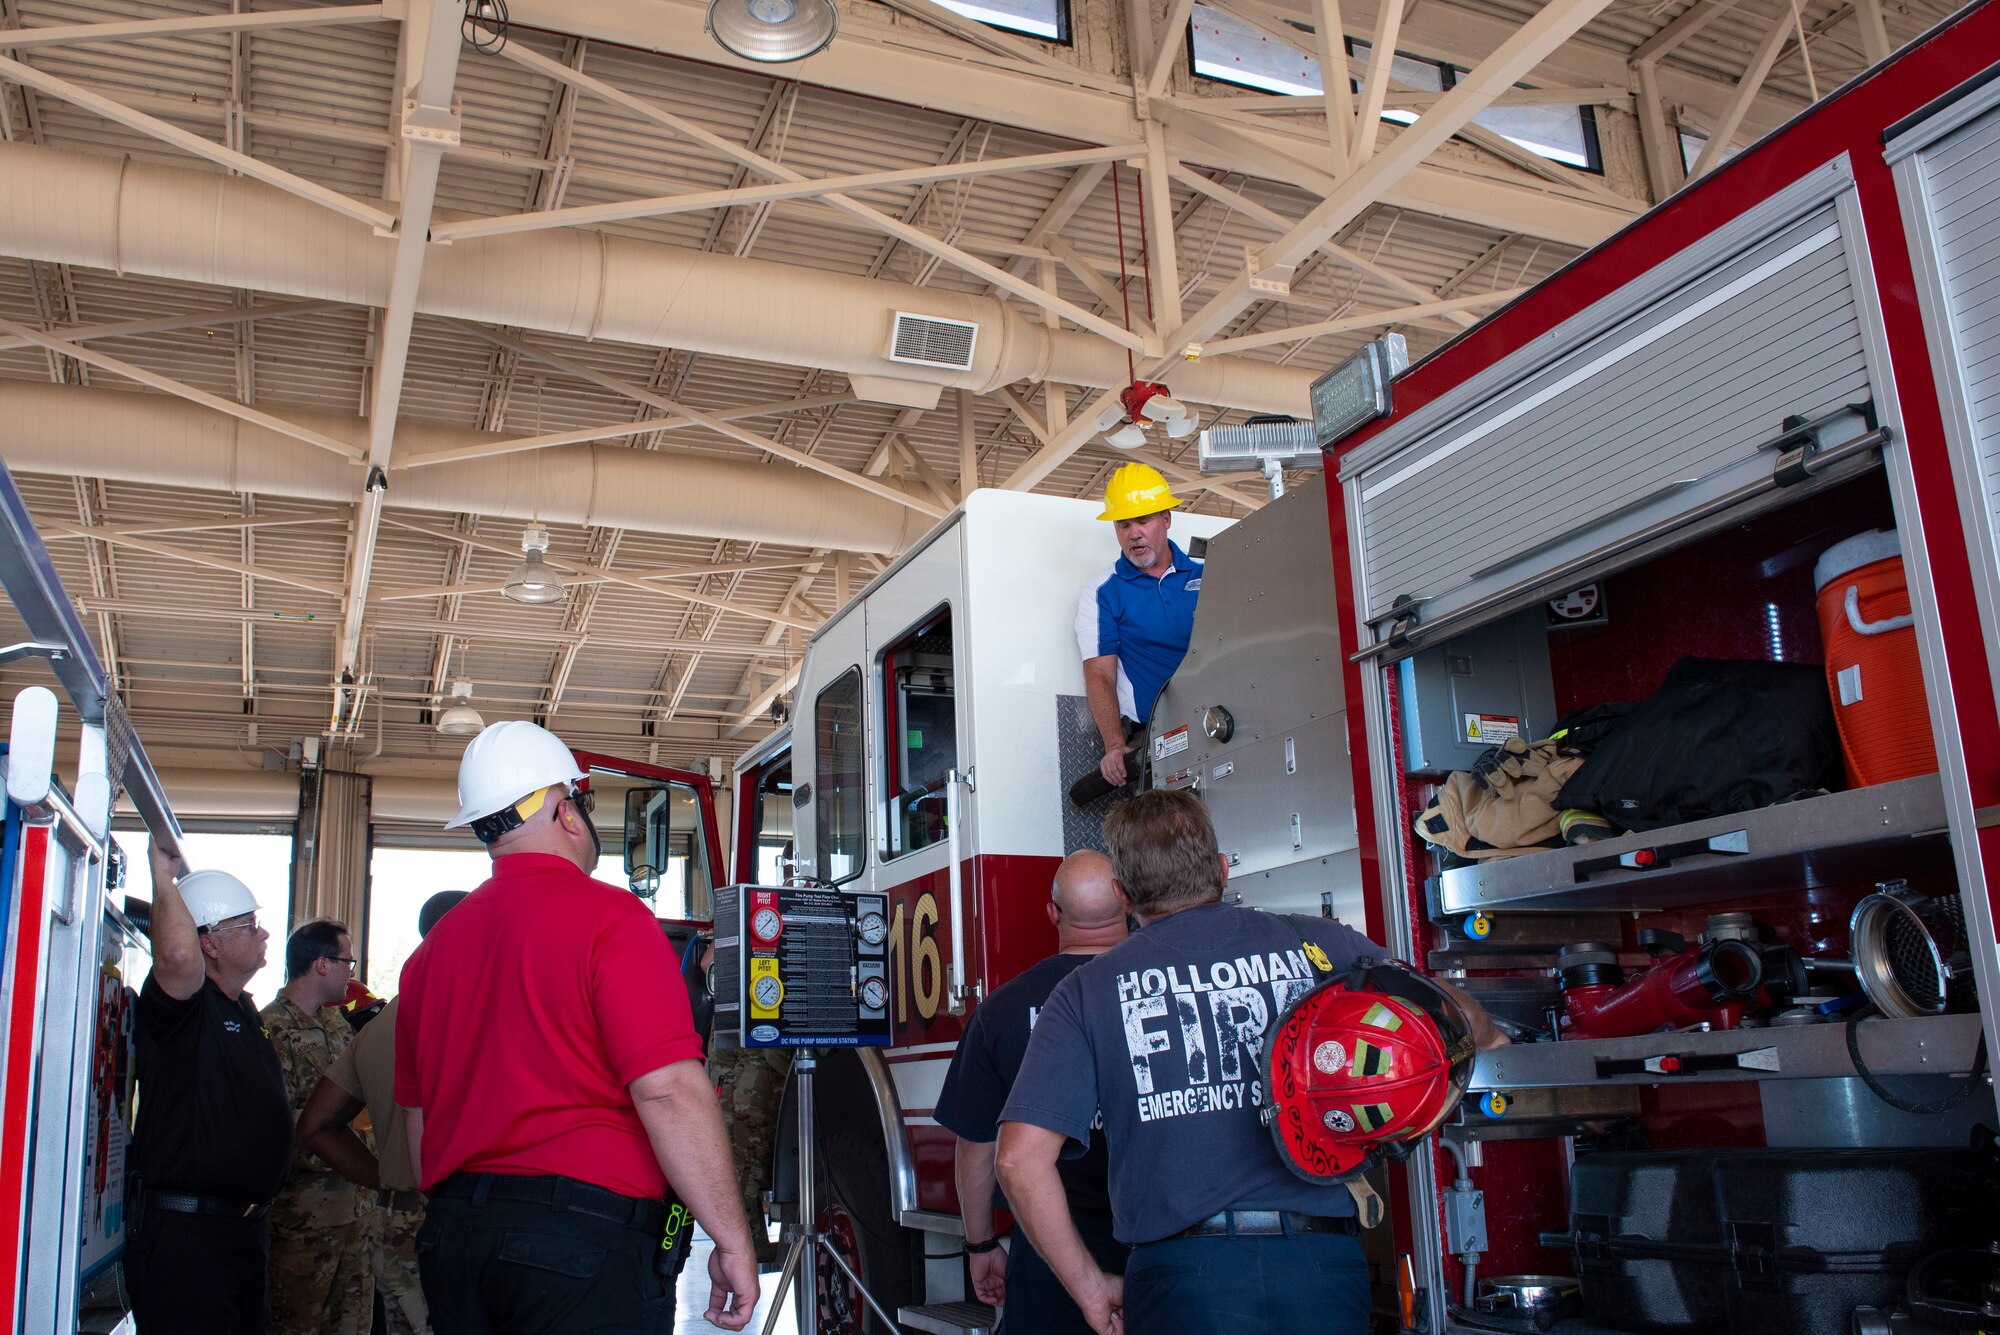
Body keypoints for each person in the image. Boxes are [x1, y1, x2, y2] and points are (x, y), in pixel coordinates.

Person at [996, 790, 1506, 1335]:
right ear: (1220, 870)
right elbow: (1450, 1019)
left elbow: (1019, 1162)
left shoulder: (1085, 992)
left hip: (1182, 1283)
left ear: (1123, 895)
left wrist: (1090, 1288)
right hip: (1322, 1271)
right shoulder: (1319, 944)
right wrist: (1495, 1040)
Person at [394, 720, 759, 1332]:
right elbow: (667, 1088)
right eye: (583, 803)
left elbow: (418, 1119)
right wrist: (732, 1238)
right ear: (566, 812)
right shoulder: (610, 917)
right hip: (577, 1248)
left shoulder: (428, 957)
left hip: (455, 1243)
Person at [935, 851, 1130, 1332]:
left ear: (1052, 913)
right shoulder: (1167, 988)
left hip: (1051, 1252)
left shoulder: (1001, 1010)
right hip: (1164, 1249)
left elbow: (979, 1148)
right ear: (1127, 902)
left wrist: (980, 1245)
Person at [124, 838, 293, 1335]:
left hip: (243, 1234)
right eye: (246, 925)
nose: (263, 933)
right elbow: (176, 954)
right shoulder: (182, 1009)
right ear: (210, 941)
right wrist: (163, 878)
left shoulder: (242, 1008)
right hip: (189, 1238)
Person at [297, 891, 469, 1335]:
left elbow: (316, 1126)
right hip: (454, 1223)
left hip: (391, 1224)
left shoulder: (379, 1027)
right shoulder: (477, 1013)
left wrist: (386, 1179)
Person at [262, 919, 375, 1335]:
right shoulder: (271, 1029)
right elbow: (277, 1129)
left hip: (354, 1220)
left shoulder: (338, 1027)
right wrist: (362, 1142)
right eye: (347, 960)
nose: (352, 971)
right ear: (322, 964)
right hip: (301, 1226)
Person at [1075, 463, 1203, 789]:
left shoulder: (1209, 574)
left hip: (1220, 719)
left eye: (1143, 520)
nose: (1134, 533)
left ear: (1166, 519)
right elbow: (1100, 674)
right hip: (1159, 737)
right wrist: (1116, 746)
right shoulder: (1103, 592)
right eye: (1123, 524)